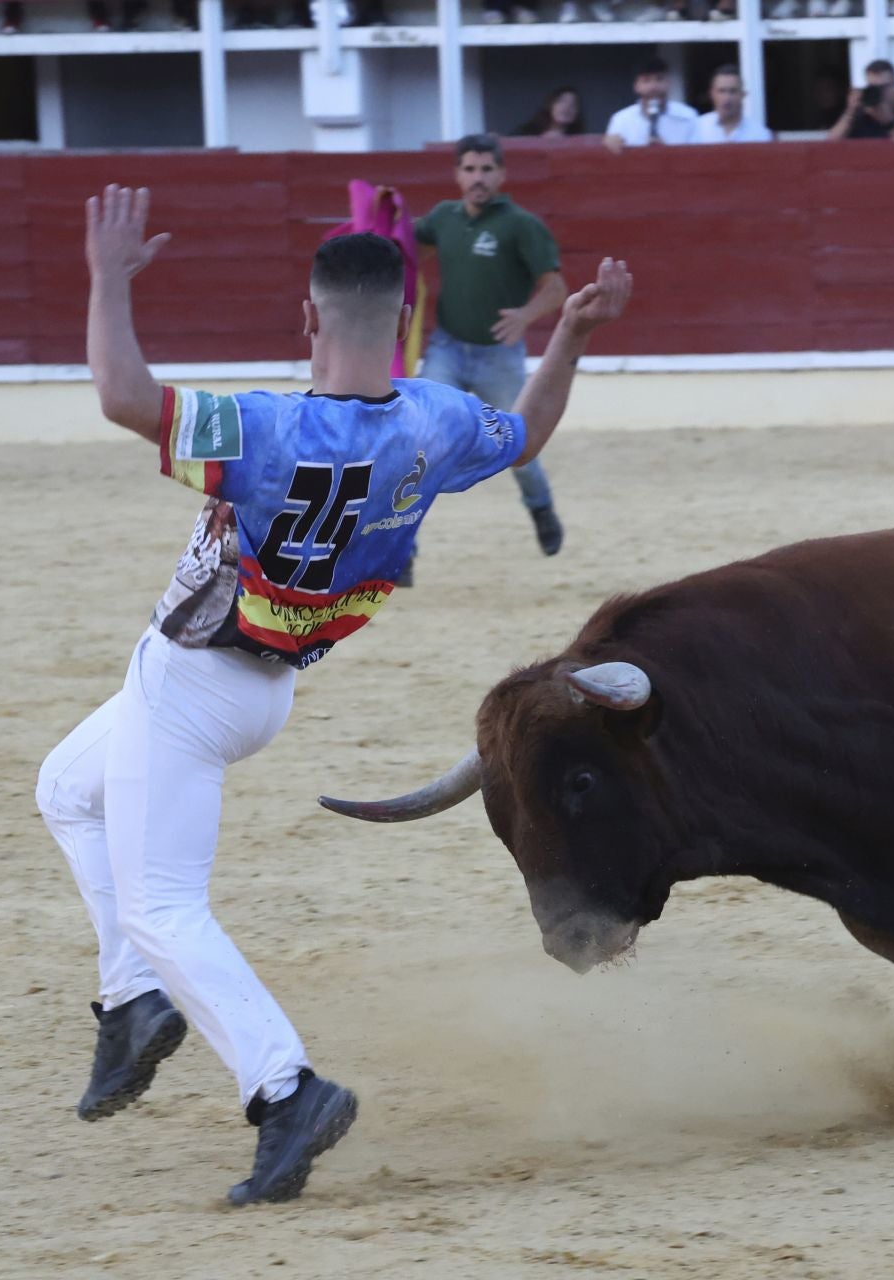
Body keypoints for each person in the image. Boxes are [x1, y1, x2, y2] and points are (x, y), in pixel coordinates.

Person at [37, 185, 630, 1206]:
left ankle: (285, 1087)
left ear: (308, 317)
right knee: (66, 786)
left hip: (188, 683)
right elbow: (526, 433)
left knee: (163, 905)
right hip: (267, 688)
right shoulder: (435, 422)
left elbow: (125, 397)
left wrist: (105, 280)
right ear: (406, 319)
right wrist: (568, 334)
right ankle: (133, 1000)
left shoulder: (262, 427)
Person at [412, 135, 570, 559]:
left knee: (520, 446)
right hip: (446, 348)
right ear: (457, 175)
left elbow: (555, 288)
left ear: (501, 175)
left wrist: (524, 316)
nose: (477, 178)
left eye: (486, 170)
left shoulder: (520, 224)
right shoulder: (443, 219)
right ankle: (402, 543)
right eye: (469, 169)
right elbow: (403, 245)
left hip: (498, 358)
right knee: (415, 440)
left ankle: (541, 509)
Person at [827, 59, 894, 141]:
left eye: (883, 88)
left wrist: (890, 123)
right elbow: (830, 145)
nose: (879, 93)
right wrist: (850, 112)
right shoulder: (860, 116)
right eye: (873, 88)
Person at [604, 57, 699, 149]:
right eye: (646, 81)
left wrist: (666, 151)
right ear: (636, 86)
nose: (653, 87)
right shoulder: (621, 120)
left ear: (668, 83)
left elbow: (698, 155)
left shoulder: (688, 116)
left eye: (659, 79)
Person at [691, 65, 772, 143]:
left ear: (743, 94)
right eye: (721, 91)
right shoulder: (698, 129)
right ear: (711, 94)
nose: (727, 97)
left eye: (732, 91)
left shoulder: (759, 134)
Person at [518, 85, 585, 137]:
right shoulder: (527, 132)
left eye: (573, 104)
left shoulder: (579, 139)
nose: (567, 107)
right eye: (562, 101)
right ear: (551, 105)